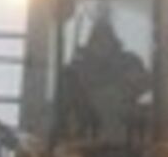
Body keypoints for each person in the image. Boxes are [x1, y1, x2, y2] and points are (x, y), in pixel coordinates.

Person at [59, 12, 152, 146]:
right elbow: (68, 100)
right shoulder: (76, 68)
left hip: (127, 129)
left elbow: (146, 84)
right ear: (91, 41)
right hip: (85, 131)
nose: (102, 43)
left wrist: (131, 83)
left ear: (112, 40)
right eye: (98, 39)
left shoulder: (130, 61)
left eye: (105, 38)